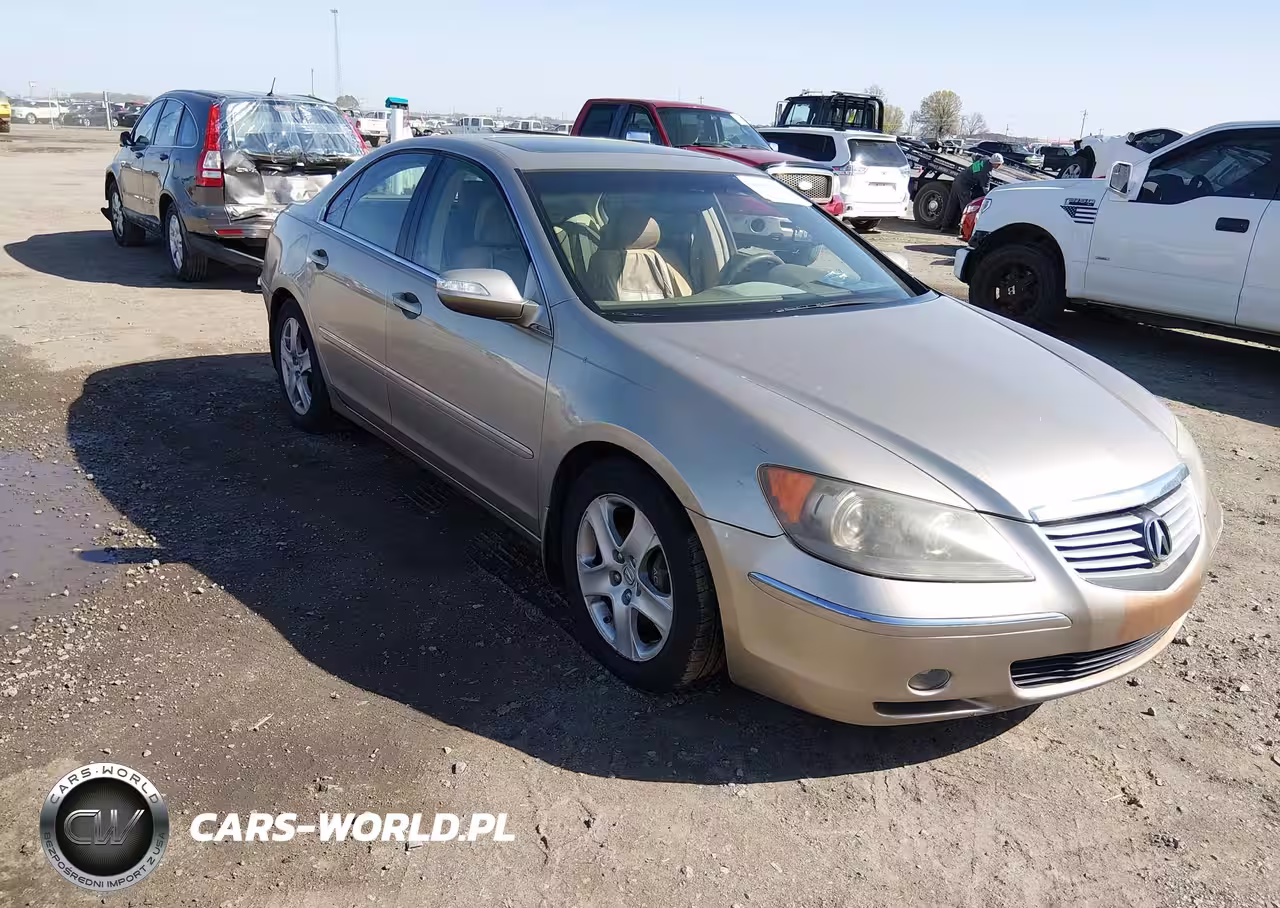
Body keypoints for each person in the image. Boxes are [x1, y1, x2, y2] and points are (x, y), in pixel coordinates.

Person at [942, 152, 1003, 232]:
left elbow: (974, 156)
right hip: (964, 185)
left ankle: (945, 227)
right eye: (999, 164)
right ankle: (965, 230)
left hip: (959, 178)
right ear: (995, 164)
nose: (999, 166)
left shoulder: (985, 158)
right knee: (967, 207)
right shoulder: (986, 173)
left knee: (952, 204)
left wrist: (975, 170)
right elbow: (986, 190)